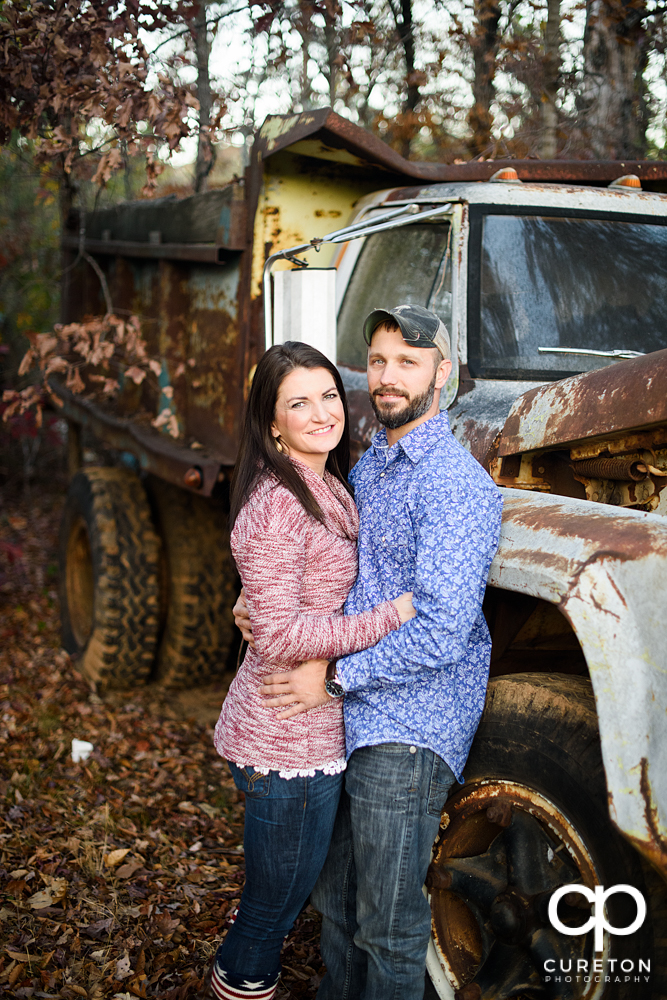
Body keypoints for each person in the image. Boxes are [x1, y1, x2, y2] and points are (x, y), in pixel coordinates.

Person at [240, 305, 504, 1000]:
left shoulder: (454, 485)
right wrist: (257, 609)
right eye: (378, 360)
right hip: (345, 718)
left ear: (441, 375)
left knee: (386, 925)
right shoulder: (371, 466)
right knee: (336, 908)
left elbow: (443, 629)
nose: (387, 377)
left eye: (407, 362)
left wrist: (333, 680)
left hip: (406, 726)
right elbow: (313, 563)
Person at [202, 340, 415, 1000]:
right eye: (298, 403)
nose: (320, 412)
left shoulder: (324, 482)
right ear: (272, 422)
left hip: (307, 726)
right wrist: (392, 616)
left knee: (279, 893)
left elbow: (282, 601)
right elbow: (281, 632)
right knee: (273, 912)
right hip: (282, 738)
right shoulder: (276, 505)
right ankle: (240, 982)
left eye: (327, 395)